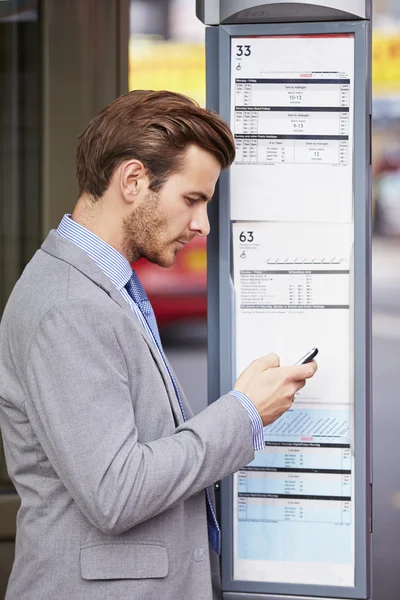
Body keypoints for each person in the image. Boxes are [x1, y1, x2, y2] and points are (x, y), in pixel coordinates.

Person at [0, 90, 317, 600]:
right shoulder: (69, 304)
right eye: (192, 200)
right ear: (132, 180)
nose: (201, 225)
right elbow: (116, 493)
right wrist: (244, 413)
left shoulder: (102, 285)